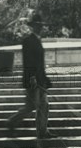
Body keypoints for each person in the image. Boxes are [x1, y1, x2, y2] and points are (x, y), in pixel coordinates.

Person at [6, 11, 56, 140]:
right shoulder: (28, 40)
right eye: (37, 25)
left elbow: (40, 64)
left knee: (44, 105)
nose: (40, 27)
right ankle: (11, 122)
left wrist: (45, 80)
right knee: (31, 106)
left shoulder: (37, 40)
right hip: (32, 80)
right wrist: (32, 78)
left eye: (41, 25)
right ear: (33, 26)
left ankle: (42, 132)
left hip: (40, 80)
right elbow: (28, 62)